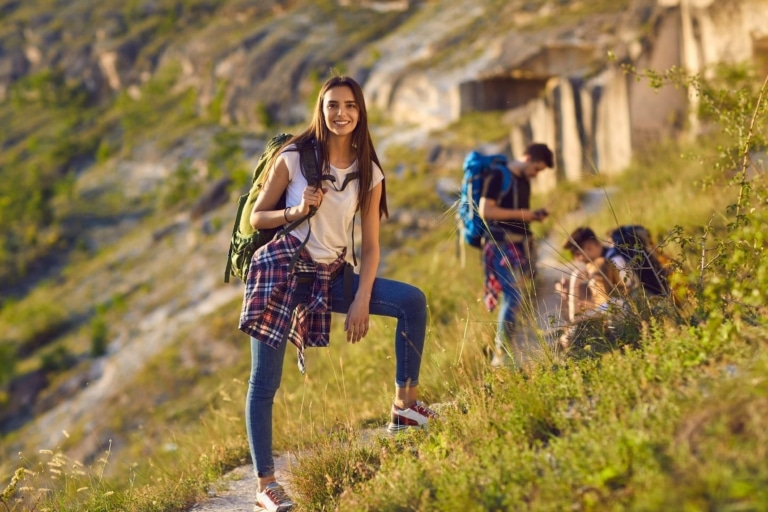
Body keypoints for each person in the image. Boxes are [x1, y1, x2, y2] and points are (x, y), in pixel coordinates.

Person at [239, 75, 437, 512]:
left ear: (360, 111)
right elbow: (258, 218)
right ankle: (265, 485)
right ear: (321, 109)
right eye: (332, 105)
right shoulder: (293, 156)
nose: (341, 113)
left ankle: (405, 408)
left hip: (332, 276)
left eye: (349, 105)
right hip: (284, 273)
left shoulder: (370, 170)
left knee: (412, 301)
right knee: (265, 381)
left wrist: (363, 298)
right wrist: (298, 208)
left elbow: (371, 245)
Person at [478, 143, 554, 368]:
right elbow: (486, 210)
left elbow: (517, 215)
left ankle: (504, 348)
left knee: (517, 296)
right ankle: (501, 354)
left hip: (518, 246)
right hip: (499, 244)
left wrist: (532, 216)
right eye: (537, 168)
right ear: (528, 157)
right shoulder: (497, 174)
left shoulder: (523, 181)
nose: (536, 174)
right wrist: (524, 214)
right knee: (513, 296)